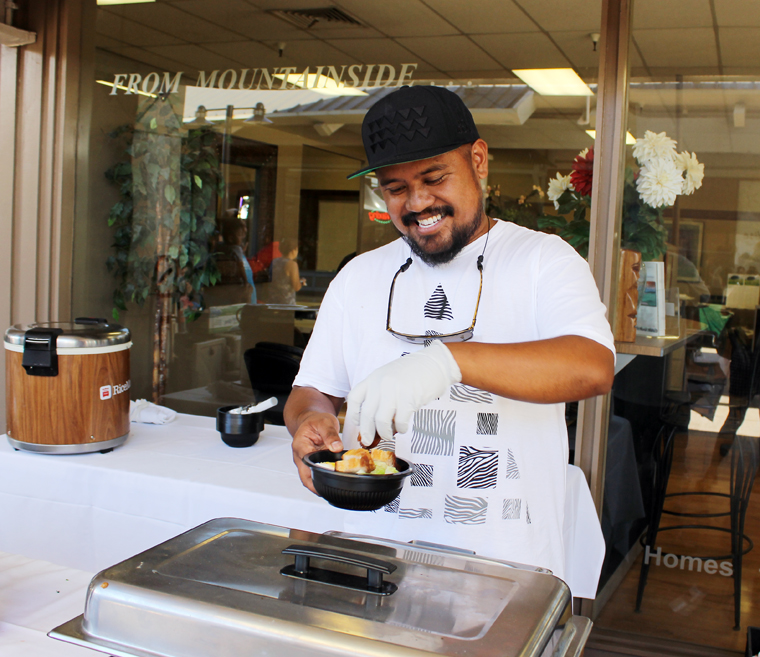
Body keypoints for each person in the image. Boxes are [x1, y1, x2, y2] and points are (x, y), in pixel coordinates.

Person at [284, 85, 615, 579]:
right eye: (395, 188)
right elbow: (313, 390)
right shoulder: (358, 277)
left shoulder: (542, 260)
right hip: (372, 557)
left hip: (506, 566)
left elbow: (592, 366)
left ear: (478, 161)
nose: (418, 202)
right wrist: (310, 421)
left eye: (435, 178)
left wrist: (448, 362)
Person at [269, 237, 306, 305]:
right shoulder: (292, 264)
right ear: (293, 250)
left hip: (273, 301)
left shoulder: (274, 262)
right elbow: (296, 287)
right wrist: (301, 282)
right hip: (286, 303)